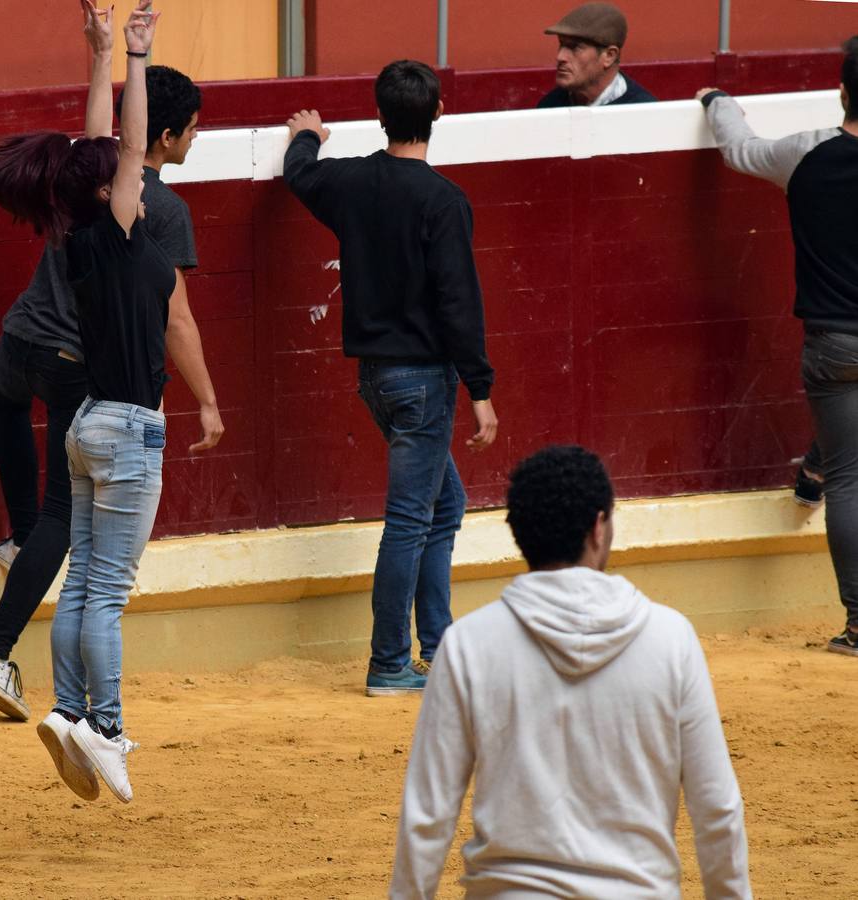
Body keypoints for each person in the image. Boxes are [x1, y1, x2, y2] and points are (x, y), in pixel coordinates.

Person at [0, 8, 222, 723]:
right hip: (80, 370)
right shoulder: (146, 211)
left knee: (12, 416)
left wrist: (104, 57)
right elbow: (179, 318)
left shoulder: (75, 194)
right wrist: (211, 402)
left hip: (21, 341)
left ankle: (16, 534)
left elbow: (99, 142)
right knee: (67, 529)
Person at [391, 445, 750, 898]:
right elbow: (717, 808)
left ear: (519, 534)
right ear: (599, 528)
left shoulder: (468, 644)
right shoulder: (671, 638)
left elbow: (428, 814)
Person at [284, 60, 498, 697]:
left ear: (379, 115)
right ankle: (389, 662)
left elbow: (299, 175)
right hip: (424, 380)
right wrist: (481, 391)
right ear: (439, 112)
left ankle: (438, 645)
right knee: (411, 517)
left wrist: (307, 134)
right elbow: (459, 303)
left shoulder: (351, 183)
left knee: (443, 503)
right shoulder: (442, 200)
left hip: (377, 378)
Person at [697, 36, 858, 657]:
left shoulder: (807, 154)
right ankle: (819, 461)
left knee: (849, 476)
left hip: (836, 344)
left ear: (843, 92)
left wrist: (717, 99)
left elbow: (739, 148)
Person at [537, 2, 656, 108]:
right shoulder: (550, 105)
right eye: (561, 45)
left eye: (574, 47)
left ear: (609, 56)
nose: (560, 57)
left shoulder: (643, 112)